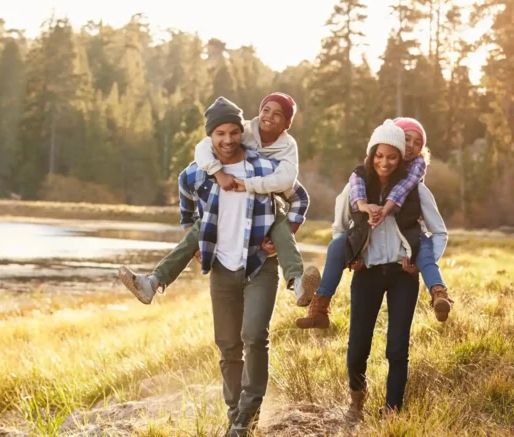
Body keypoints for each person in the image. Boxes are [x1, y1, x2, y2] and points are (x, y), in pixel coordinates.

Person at [174, 99, 310, 435]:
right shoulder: (199, 170)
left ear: (241, 132)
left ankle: (247, 415)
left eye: (234, 132)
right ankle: (236, 417)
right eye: (220, 133)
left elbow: (300, 196)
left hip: (259, 264)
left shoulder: (263, 167)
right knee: (228, 346)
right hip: (221, 266)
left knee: (253, 336)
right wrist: (195, 237)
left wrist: (283, 235)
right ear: (210, 137)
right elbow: (185, 199)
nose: (228, 139)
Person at [119, 94, 319, 308]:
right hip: (224, 207)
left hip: (268, 204)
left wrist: (285, 233)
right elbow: (204, 147)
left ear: (287, 124)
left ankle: (298, 283)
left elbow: (290, 183)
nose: (268, 116)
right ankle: (152, 283)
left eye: (277, 114)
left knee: (281, 227)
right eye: (266, 110)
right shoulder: (242, 131)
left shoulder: (287, 148)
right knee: (200, 228)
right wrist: (218, 173)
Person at [324, 120, 448, 418]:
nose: (387, 161)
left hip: (402, 277)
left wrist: (419, 263)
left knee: (396, 348)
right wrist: (353, 255)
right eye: (381, 155)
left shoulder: (416, 191)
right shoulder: (357, 187)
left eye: (394, 154)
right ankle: (356, 401)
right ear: (373, 153)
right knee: (357, 347)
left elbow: (439, 232)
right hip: (366, 274)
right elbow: (339, 229)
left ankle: (393, 408)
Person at [296, 117, 452, 329]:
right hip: (368, 250)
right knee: (336, 246)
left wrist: (386, 209)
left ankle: (439, 293)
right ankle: (320, 305)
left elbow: (405, 191)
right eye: (407, 139)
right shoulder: (362, 175)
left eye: (418, 143)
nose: (412, 147)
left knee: (424, 251)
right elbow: (347, 207)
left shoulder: (415, 175)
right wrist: (354, 249)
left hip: (408, 239)